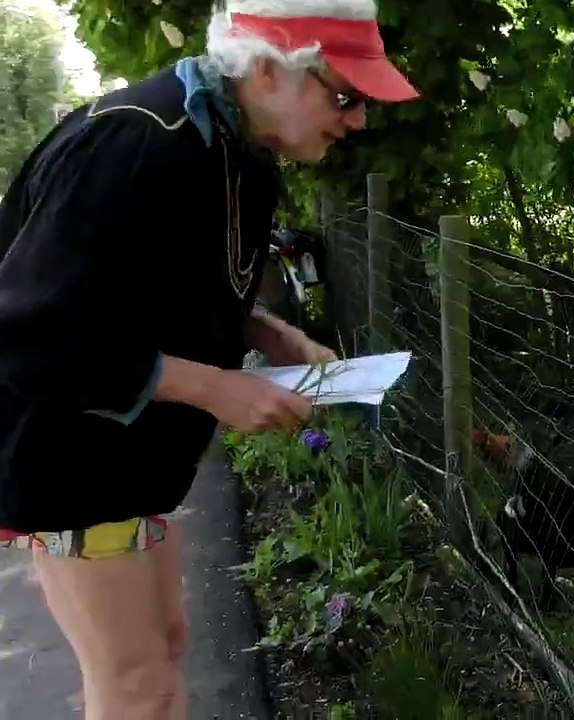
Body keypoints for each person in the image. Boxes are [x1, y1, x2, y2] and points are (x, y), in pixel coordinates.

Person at [0, 0, 419, 717]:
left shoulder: (234, 150)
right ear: (264, 69)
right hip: (73, 462)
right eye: (343, 95)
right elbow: (34, 336)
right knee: (138, 687)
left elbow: (143, 286)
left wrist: (258, 328)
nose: (358, 120)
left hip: (131, 465)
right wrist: (216, 387)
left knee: (163, 645)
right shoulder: (134, 144)